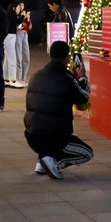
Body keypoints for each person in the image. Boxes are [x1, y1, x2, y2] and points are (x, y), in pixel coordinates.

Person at [24, 41, 93, 180]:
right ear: (67, 58)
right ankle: (53, 163)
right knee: (87, 153)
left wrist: (73, 78)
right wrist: (83, 77)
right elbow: (83, 98)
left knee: (46, 121)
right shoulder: (67, 78)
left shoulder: (36, 75)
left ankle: (43, 161)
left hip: (31, 135)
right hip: (55, 137)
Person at [13, 1, 33, 87]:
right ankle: (18, 78)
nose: (21, 7)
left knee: (26, 58)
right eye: (20, 5)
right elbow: (15, 24)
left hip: (25, 34)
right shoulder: (16, 15)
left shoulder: (26, 14)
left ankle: (23, 78)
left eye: (23, 5)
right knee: (19, 58)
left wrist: (28, 20)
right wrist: (22, 16)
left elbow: (30, 28)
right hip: (18, 34)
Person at [3, 0, 21, 88]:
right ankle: (13, 80)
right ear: (14, 8)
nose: (20, 10)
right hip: (9, 38)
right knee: (12, 58)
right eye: (18, 8)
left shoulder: (8, 14)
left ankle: (5, 78)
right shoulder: (11, 14)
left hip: (9, 37)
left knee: (7, 59)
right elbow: (17, 21)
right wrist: (23, 16)